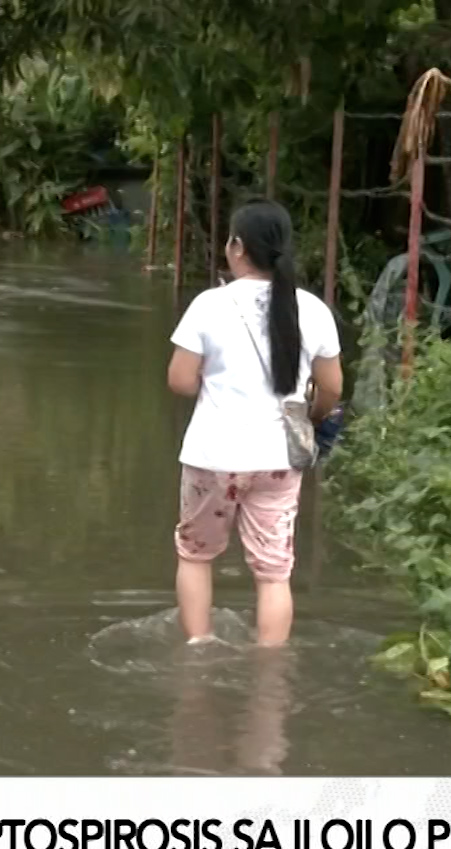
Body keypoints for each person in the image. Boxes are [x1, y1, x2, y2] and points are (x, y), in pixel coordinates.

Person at [166, 199, 343, 647]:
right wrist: (315, 417)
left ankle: (200, 650)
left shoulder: (209, 305)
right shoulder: (313, 310)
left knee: (195, 555)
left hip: (214, 458)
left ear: (237, 247)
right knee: (273, 572)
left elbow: (181, 381)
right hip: (279, 460)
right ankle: (269, 671)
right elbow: (333, 388)